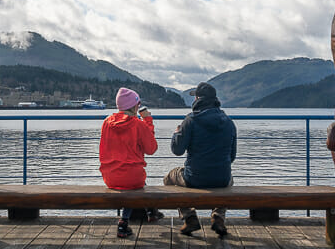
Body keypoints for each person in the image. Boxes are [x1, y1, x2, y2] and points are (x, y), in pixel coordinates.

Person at [164, 82, 237, 237]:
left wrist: (176, 134)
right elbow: (232, 157)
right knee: (229, 179)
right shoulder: (229, 123)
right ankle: (218, 217)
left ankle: (189, 217)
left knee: (169, 177)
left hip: (194, 178)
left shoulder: (190, 120)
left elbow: (177, 151)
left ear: (197, 98)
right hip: (221, 178)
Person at [99, 87, 158, 238]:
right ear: (133, 106)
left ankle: (148, 212)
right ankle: (133, 217)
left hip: (109, 177)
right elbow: (151, 149)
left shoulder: (106, 122)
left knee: (129, 178)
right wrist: (148, 121)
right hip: (133, 178)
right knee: (133, 180)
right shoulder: (138, 124)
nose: (139, 107)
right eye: (138, 104)